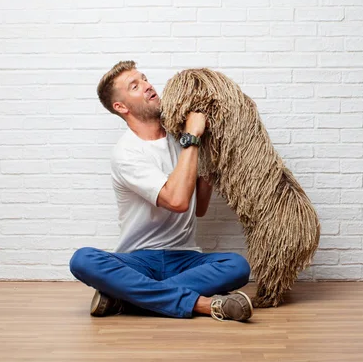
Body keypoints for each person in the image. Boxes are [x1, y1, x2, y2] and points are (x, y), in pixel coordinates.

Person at [69, 61, 253, 322]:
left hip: (185, 258)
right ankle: (201, 304)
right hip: (138, 261)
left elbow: (198, 208)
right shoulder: (127, 154)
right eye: (135, 86)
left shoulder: (181, 137)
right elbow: (177, 201)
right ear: (121, 107)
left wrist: (210, 156)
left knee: (237, 267)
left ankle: (127, 298)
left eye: (144, 79)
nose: (147, 85)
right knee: (82, 260)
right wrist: (192, 138)